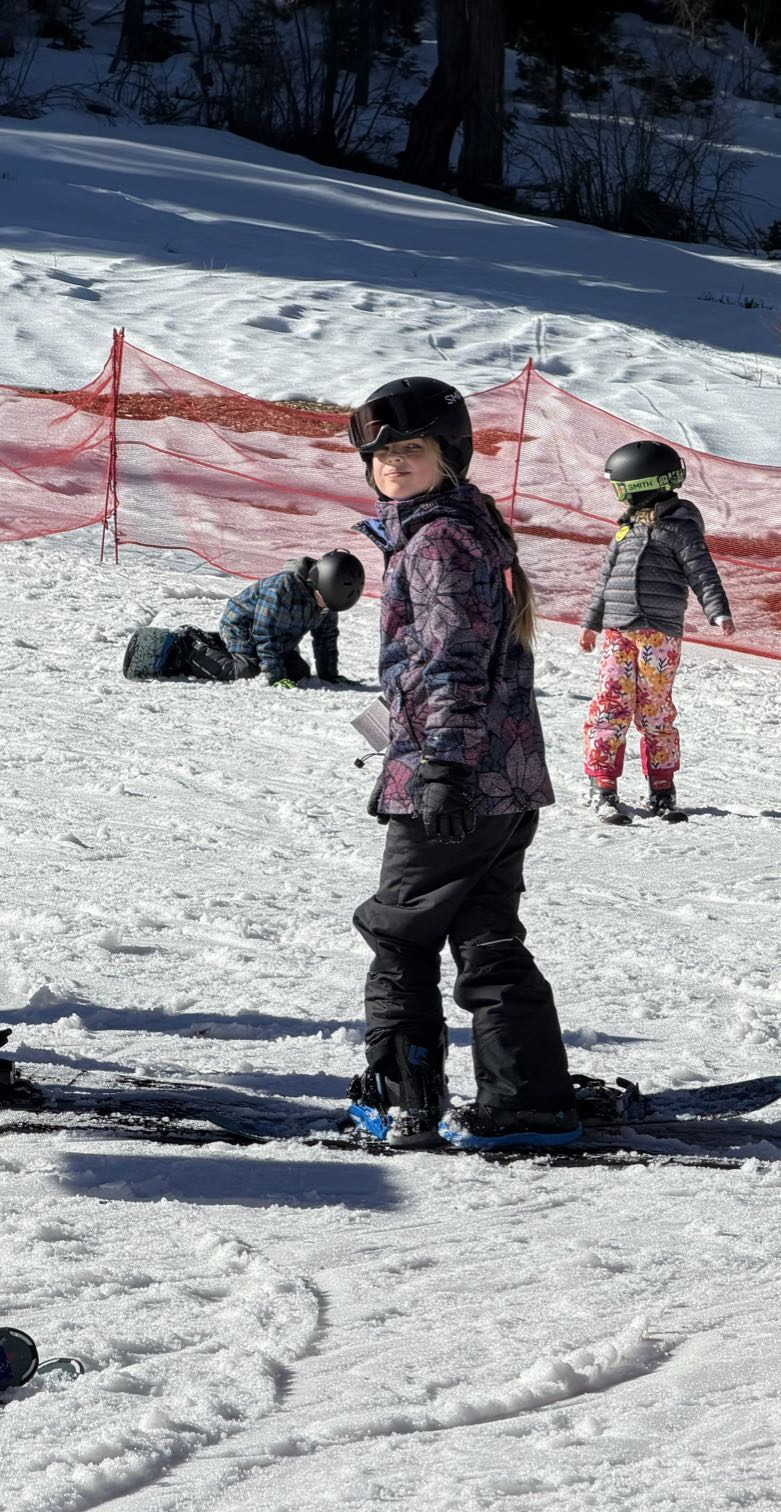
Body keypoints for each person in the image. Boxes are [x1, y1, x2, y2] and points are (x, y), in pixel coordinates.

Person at [346, 376, 580, 1152]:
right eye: (380, 456)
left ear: (449, 454)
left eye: (409, 451)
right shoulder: (462, 526)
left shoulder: (440, 537)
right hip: (505, 775)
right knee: (486, 936)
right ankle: (527, 1099)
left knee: (401, 933)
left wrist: (442, 763)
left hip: (456, 776)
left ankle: (404, 1099)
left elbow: (452, 659)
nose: (393, 466)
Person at [580, 440, 735, 825]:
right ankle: (603, 787)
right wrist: (591, 621)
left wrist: (718, 611)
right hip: (618, 633)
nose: (618, 497)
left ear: (642, 484)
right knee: (609, 707)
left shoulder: (680, 530)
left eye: (621, 488)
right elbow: (605, 581)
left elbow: (703, 574)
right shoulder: (624, 532)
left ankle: (662, 790)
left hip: (659, 637)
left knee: (655, 711)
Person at [122, 551, 365, 685]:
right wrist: (274, 676)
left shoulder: (327, 601)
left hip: (278, 636)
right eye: (323, 601)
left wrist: (329, 675)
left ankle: (215, 645)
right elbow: (264, 632)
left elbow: (326, 637)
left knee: (299, 671)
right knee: (247, 669)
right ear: (319, 582)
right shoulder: (283, 588)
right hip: (243, 626)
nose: (324, 609)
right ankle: (187, 646)